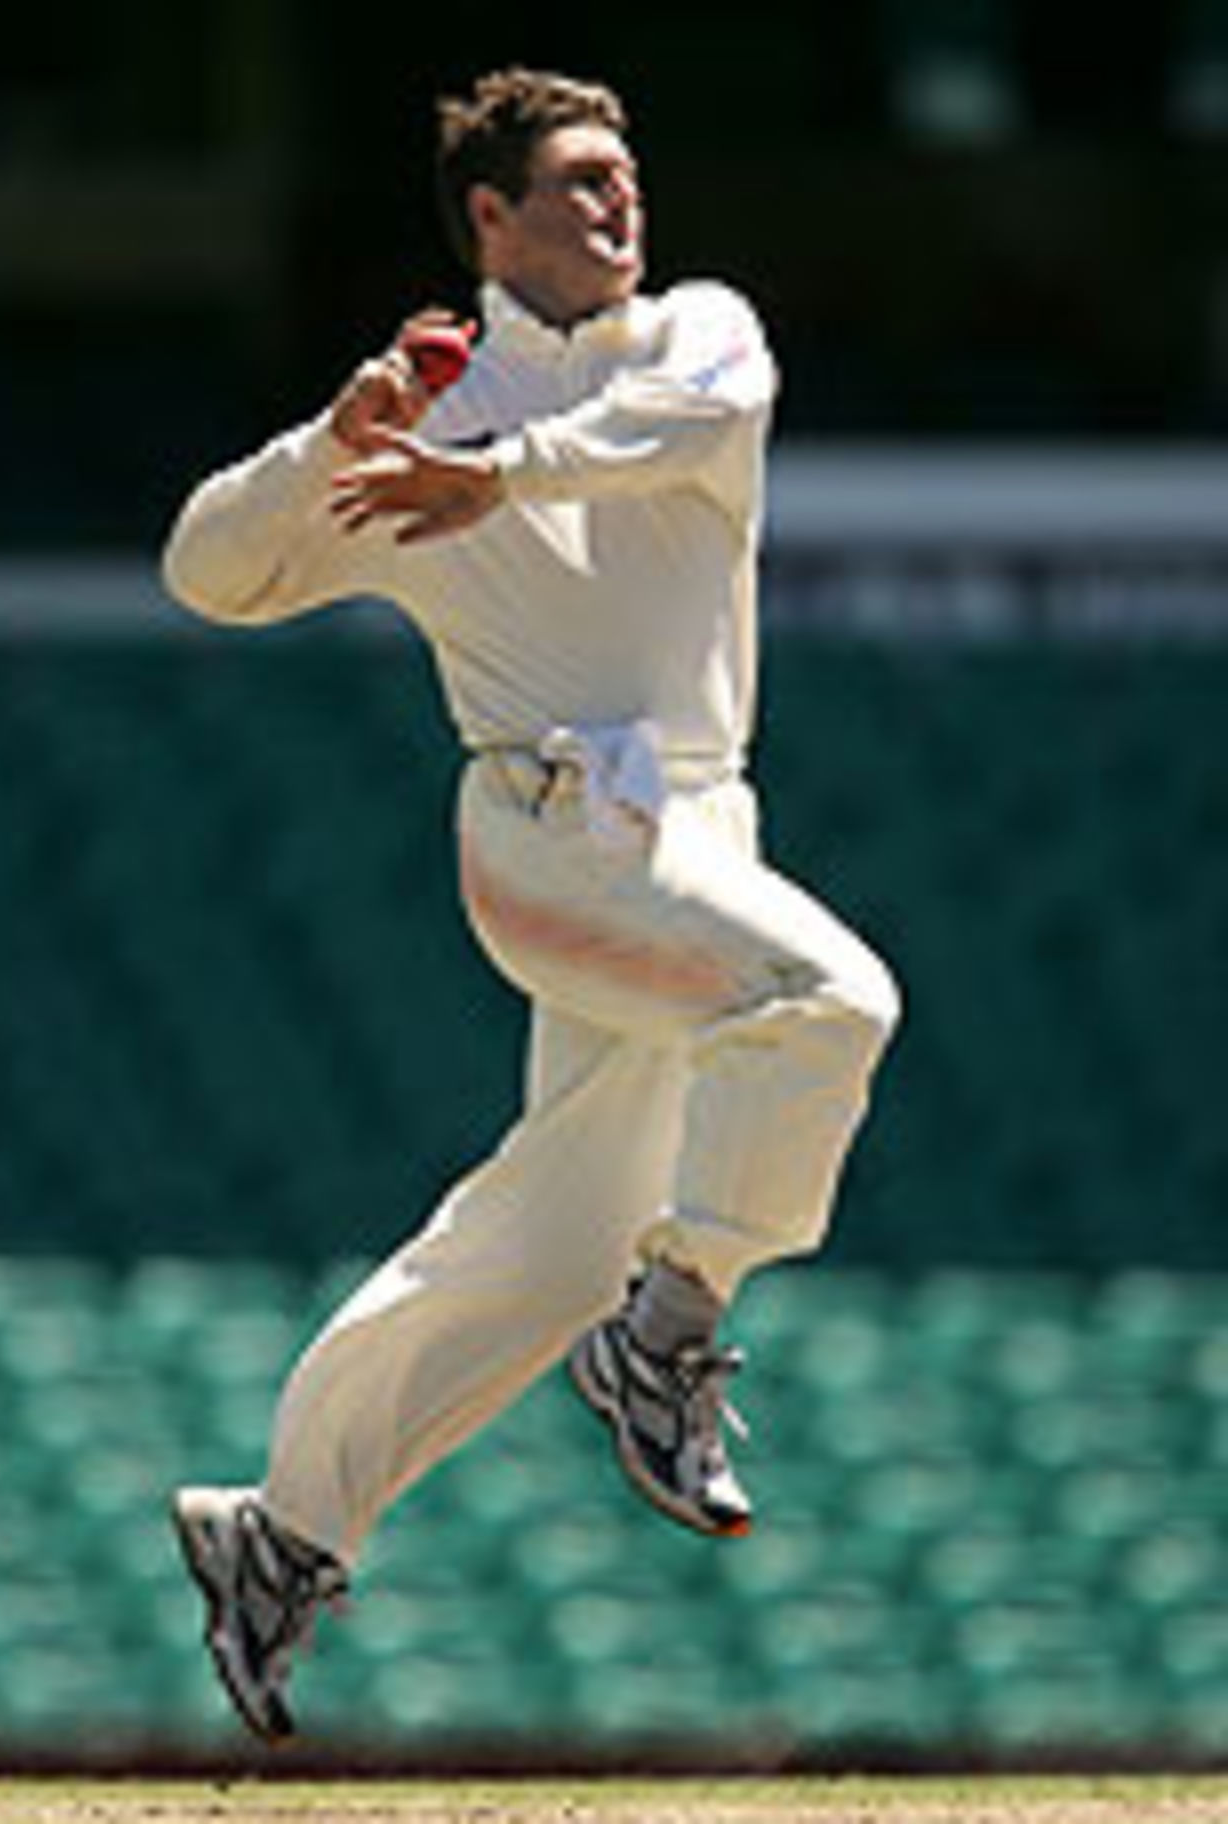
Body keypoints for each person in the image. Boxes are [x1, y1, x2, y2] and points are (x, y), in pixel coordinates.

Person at [164, 66, 901, 1744]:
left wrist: (496, 475)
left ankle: (281, 1534)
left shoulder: (700, 335)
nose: (617, 202)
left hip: (694, 834)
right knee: (833, 1006)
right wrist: (320, 455)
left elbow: (685, 429)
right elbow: (207, 576)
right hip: (556, 831)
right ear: (489, 219)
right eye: (575, 181)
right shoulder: (415, 427)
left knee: (556, 1241)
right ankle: (679, 1329)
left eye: (625, 172)